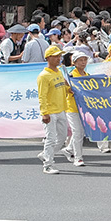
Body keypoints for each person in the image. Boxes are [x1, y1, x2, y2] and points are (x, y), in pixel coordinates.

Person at [37, 45, 71, 176]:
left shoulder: (59, 72)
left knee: (62, 138)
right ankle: (48, 165)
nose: (59, 58)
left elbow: (63, 86)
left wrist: (69, 89)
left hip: (61, 109)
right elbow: (42, 96)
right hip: (50, 112)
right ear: (48, 58)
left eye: (59, 56)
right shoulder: (43, 76)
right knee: (50, 138)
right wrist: (45, 113)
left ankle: (45, 154)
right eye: (56, 56)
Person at [62, 49, 89, 167]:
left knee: (81, 132)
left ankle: (69, 149)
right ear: (74, 62)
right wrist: (69, 89)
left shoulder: (87, 75)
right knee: (77, 132)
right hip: (72, 107)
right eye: (80, 60)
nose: (83, 62)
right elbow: (64, 89)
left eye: (84, 60)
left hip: (83, 108)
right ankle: (78, 158)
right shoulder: (71, 76)